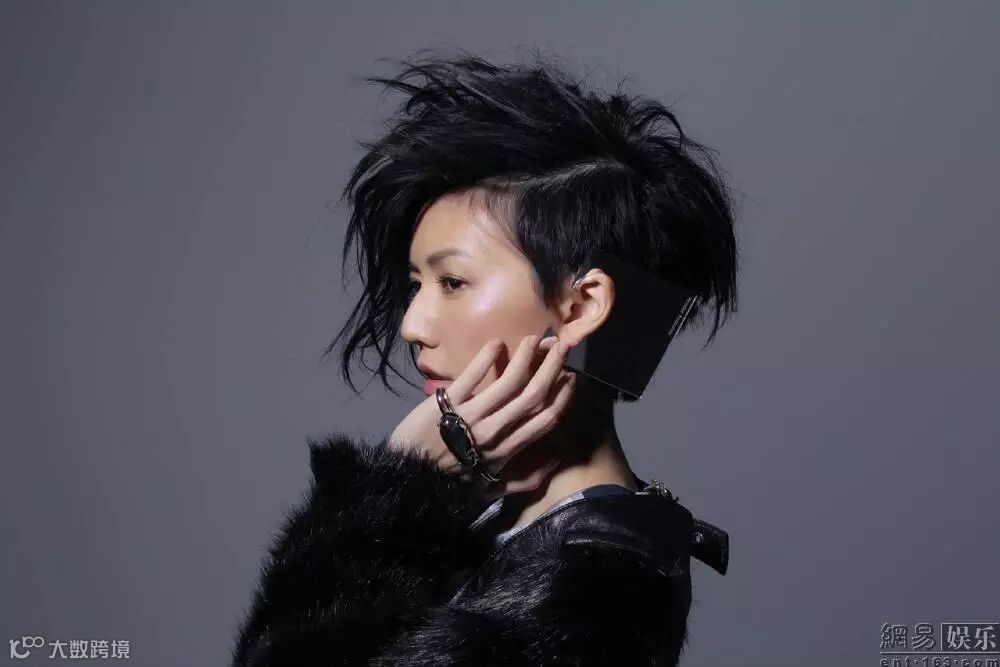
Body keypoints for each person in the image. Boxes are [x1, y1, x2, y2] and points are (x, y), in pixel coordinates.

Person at [230, 49, 737, 666]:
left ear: (581, 306)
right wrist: (405, 490)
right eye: (415, 285)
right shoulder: (499, 516)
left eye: (453, 282)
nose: (412, 326)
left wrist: (394, 489)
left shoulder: (598, 593)